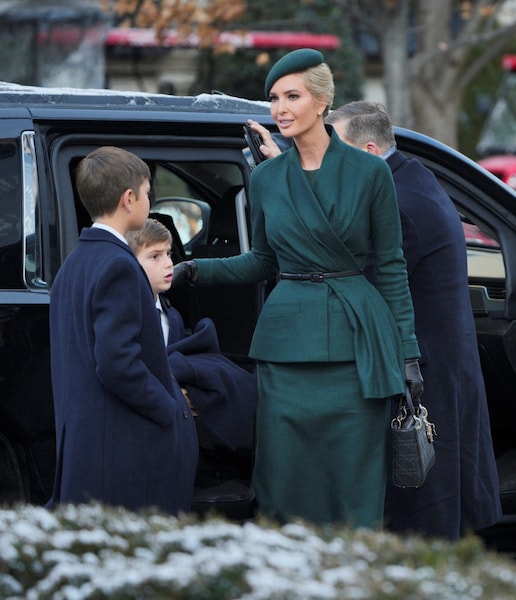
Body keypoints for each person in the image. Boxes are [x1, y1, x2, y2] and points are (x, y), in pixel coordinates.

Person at [172, 49, 423, 529]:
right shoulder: (266, 178)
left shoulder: (370, 173)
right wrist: (194, 270)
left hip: (357, 349)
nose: (280, 108)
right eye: (274, 98)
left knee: (352, 479)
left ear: (323, 102)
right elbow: (264, 261)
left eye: (293, 96)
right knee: (284, 479)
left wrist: (407, 354)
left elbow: (391, 266)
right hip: (286, 351)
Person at [320, 101, 502, 540]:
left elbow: (349, 284)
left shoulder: (397, 204)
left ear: (366, 149)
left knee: (421, 514)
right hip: (433, 363)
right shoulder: (410, 179)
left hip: (417, 375)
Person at [49, 146, 198, 515]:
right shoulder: (118, 265)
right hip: (118, 450)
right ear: (129, 198)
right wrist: (168, 407)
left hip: (85, 446)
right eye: (148, 193)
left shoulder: (75, 262)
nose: (149, 200)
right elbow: (117, 362)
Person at [125, 218, 258, 451]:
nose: (168, 264)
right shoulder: (125, 316)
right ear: (128, 263)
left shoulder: (172, 317)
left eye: (168, 254)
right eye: (154, 257)